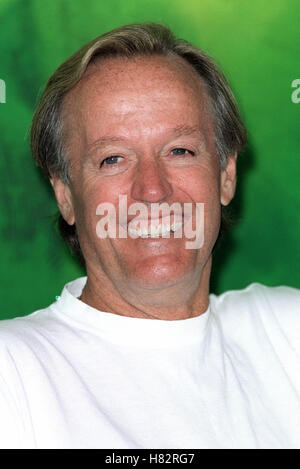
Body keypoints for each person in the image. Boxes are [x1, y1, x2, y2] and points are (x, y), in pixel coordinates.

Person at [1, 23, 299, 450]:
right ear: (66, 195)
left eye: (180, 150)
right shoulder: (13, 374)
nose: (153, 190)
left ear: (226, 175)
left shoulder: (287, 333)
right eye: (113, 158)